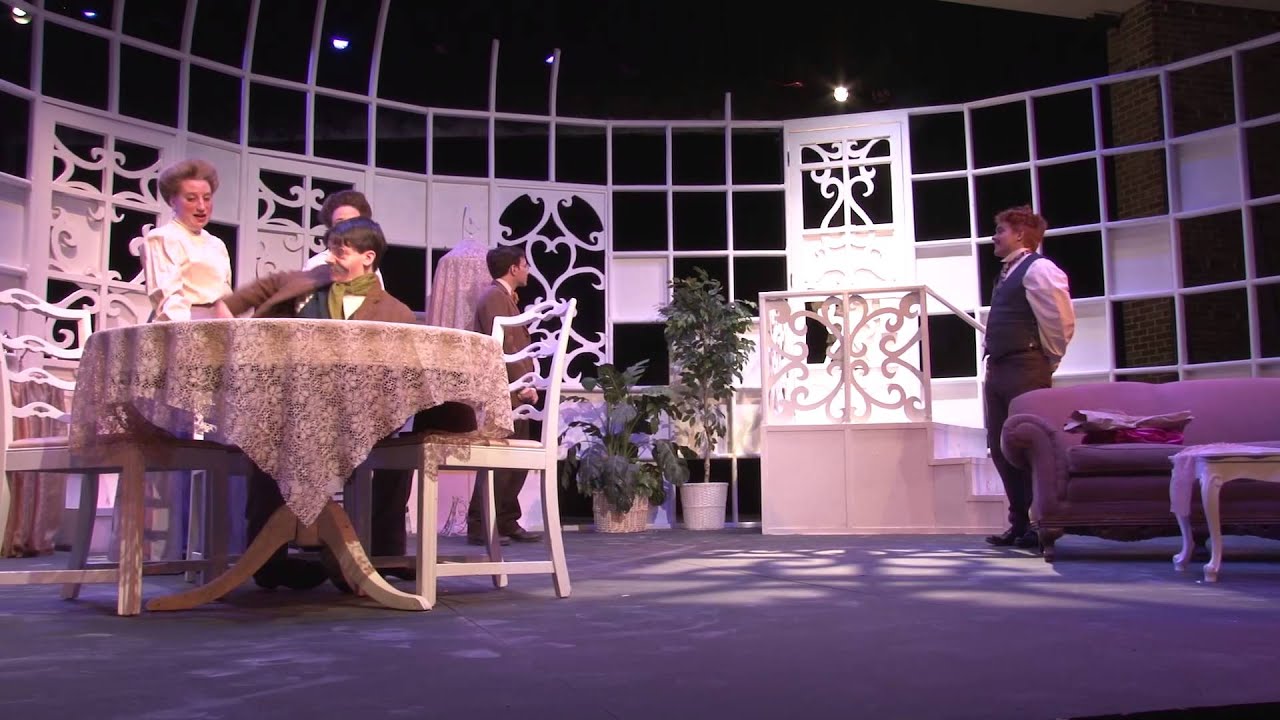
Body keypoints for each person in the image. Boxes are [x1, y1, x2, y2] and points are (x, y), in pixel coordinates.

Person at [214, 218, 423, 589]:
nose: (331, 257)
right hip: (287, 408)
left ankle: (365, 559)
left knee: (392, 451)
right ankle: (268, 561)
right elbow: (228, 307)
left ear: (368, 257)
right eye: (331, 248)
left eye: (342, 251)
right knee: (267, 443)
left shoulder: (396, 313)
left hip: (355, 418)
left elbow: (401, 378)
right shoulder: (299, 284)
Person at [982, 206, 1076, 549]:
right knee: (1000, 446)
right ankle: (1019, 522)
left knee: (1029, 447)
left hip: (1025, 366)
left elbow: (1059, 321)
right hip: (999, 368)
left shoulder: (1039, 269)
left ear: (1020, 234)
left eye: (1001, 230)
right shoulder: (1007, 273)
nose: (995, 237)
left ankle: (1042, 523)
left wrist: (1047, 360)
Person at [467, 245, 542, 545]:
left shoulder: (505, 297)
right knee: (498, 459)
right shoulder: (494, 297)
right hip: (504, 391)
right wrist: (522, 383)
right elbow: (504, 346)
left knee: (514, 459)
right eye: (525, 264)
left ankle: (506, 519)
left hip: (515, 391)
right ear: (513, 268)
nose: (527, 270)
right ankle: (479, 524)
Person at [142, 159, 232, 321]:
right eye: (191, 199)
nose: (202, 207)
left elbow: (224, 295)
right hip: (181, 322)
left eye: (207, 198)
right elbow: (167, 296)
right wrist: (185, 331)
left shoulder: (217, 244)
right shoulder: (162, 238)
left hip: (217, 324)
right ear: (172, 201)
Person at [303, 189, 383, 286]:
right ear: (331, 227)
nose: (347, 228)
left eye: (353, 222)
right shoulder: (316, 264)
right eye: (340, 223)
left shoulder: (369, 265)